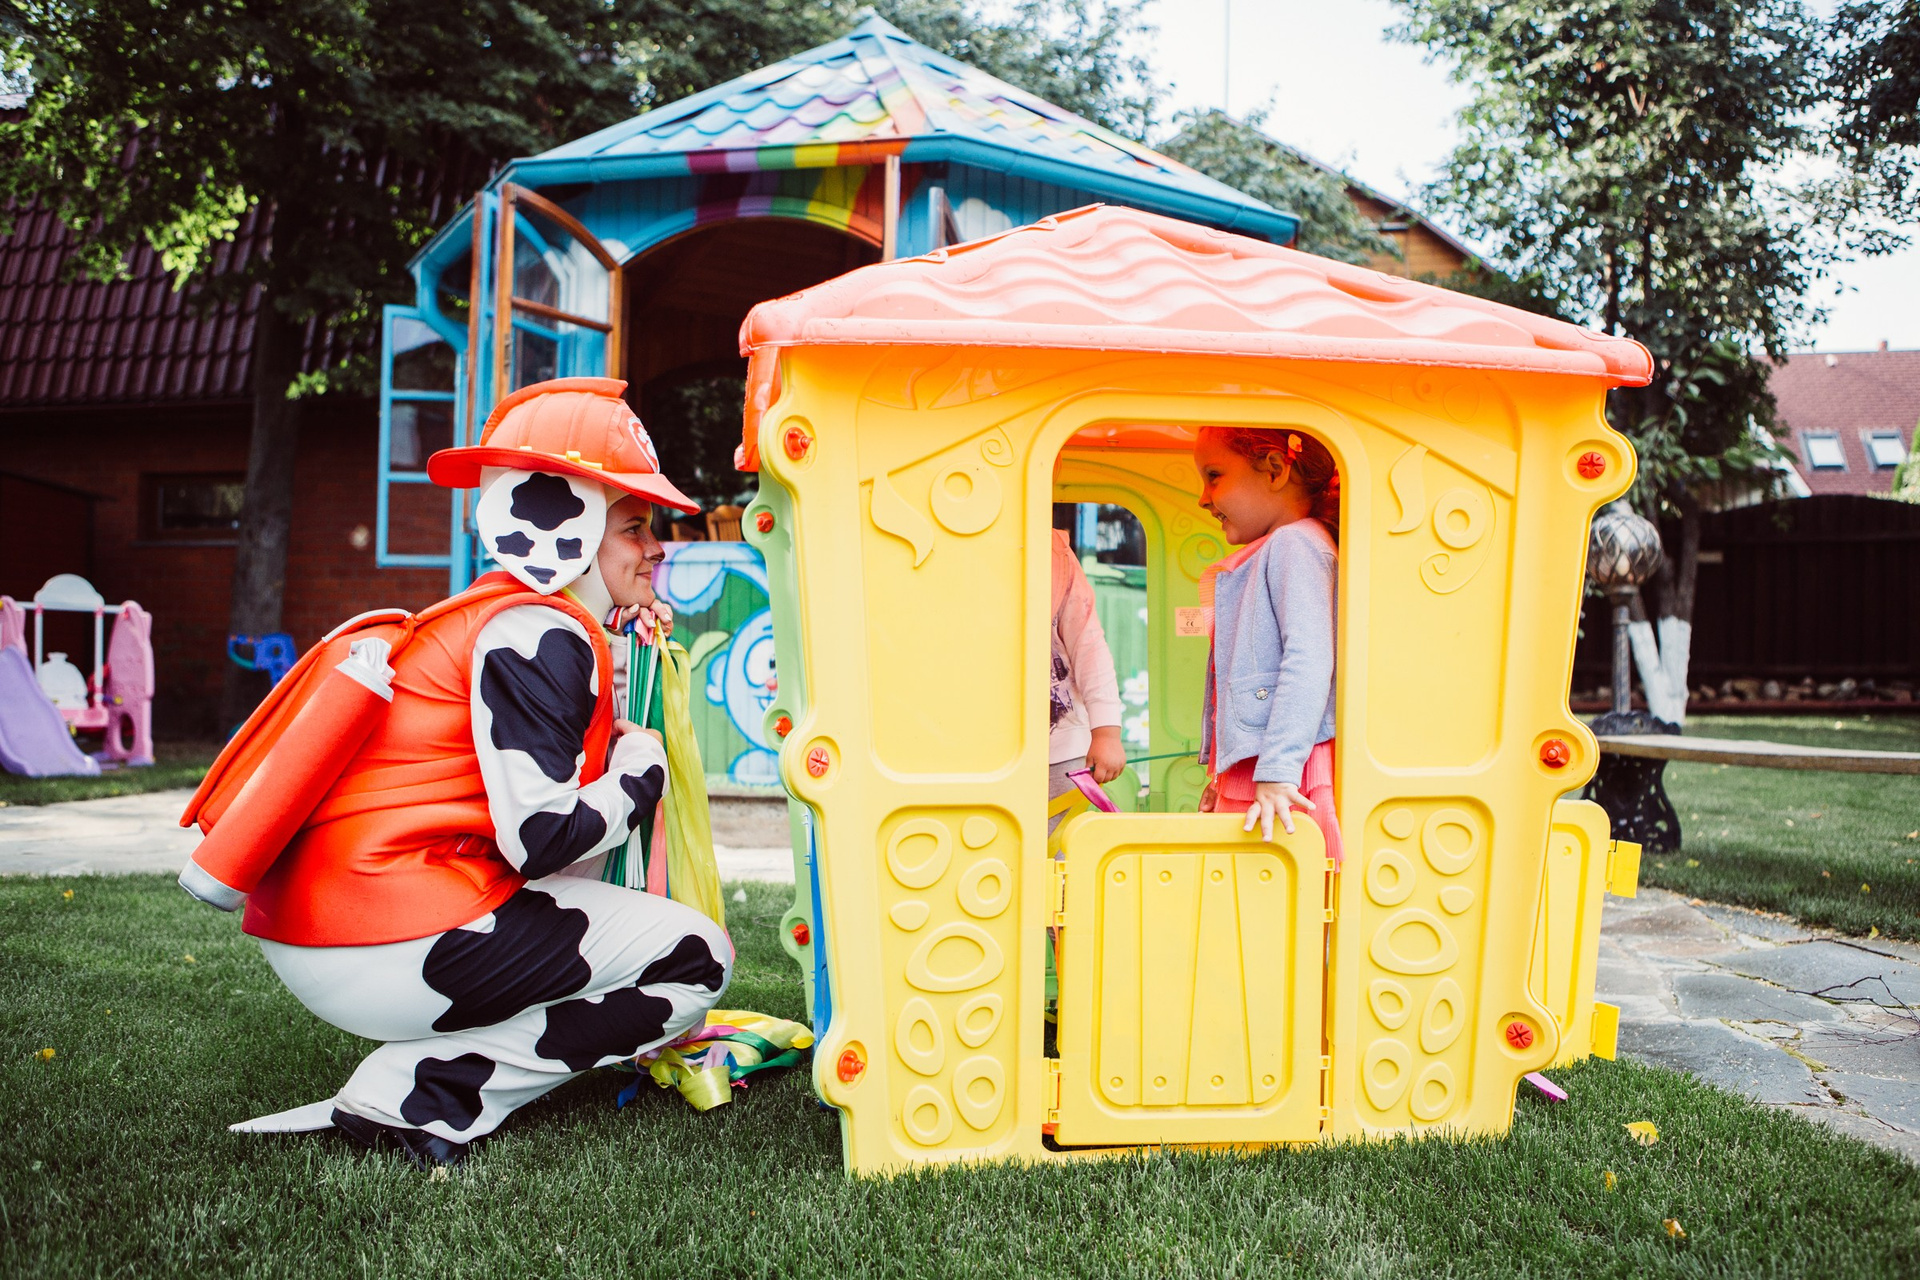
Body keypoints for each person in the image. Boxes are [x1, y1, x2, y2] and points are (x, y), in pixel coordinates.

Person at [178, 377, 733, 1169]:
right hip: (389, 933)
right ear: (568, 520)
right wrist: (643, 768)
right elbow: (543, 839)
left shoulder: (506, 617)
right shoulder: (538, 632)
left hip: (349, 923)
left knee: (617, 926)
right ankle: (428, 1091)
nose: (657, 548)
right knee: (697, 958)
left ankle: (424, 1078)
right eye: (636, 526)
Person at [1192, 426, 1342, 867]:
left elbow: (1309, 659)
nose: (1203, 498)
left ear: (1275, 469)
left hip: (1284, 770)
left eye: (1214, 476)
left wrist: (1277, 770)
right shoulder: (1281, 547)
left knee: (1271, 890)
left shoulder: (1297, 544)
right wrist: (1221, 777)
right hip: (1267, 767)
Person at [1048, 526, 1125, 818]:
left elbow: (1088, 645)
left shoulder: (1052, 552)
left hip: (1057, 747)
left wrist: (1106, 733)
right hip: (965, 748)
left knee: (1056, 842)